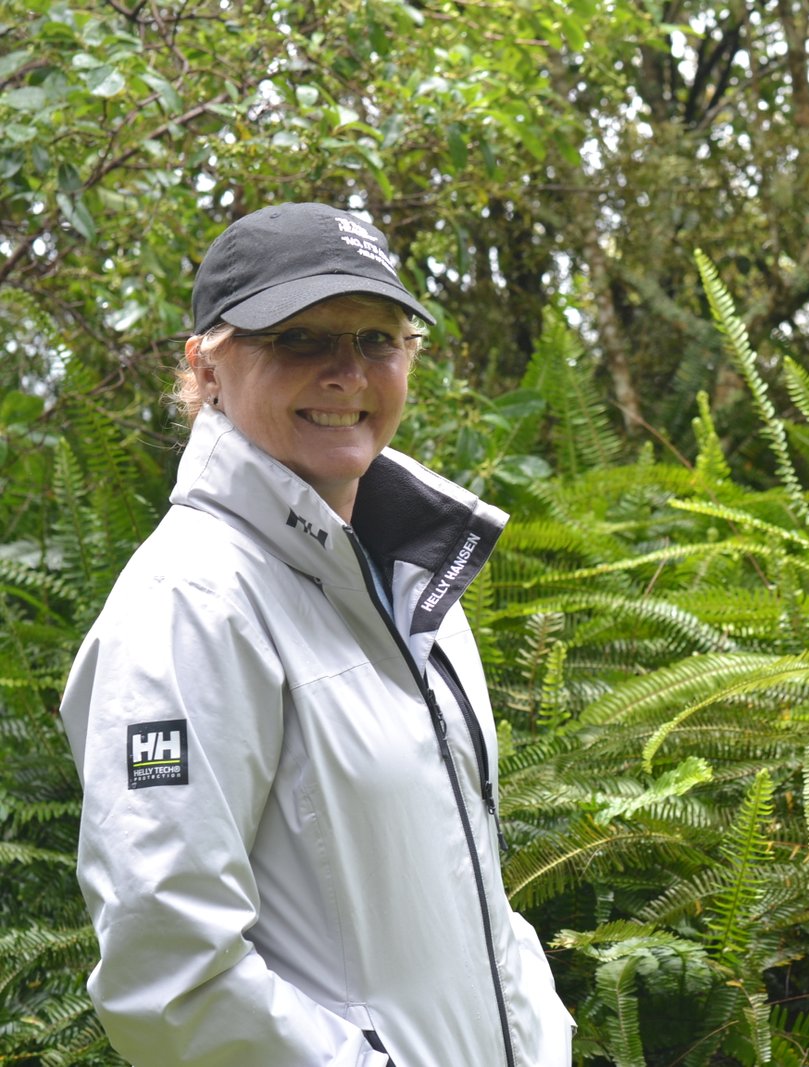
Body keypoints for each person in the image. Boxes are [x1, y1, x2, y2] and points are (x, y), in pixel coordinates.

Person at [60, 202, 573, 1066]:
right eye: (298, 339)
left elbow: (470, 893)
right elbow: (170, 972)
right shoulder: (188, 605)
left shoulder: (409, 574)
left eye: (378, 338)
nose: (347, 372)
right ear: (206, 367)